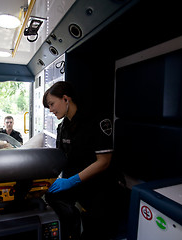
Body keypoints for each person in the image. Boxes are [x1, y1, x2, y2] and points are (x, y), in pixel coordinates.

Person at [42, 81, 125, 240]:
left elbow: (104, 162)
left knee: (94, 230)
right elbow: (61, 157)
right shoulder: (63, 127)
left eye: (52, 104)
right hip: (78, 183)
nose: (51, 110)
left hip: (101, 186)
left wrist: (71, 181)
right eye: (49, 107)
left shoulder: (97, 120)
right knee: (51, 198)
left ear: (66, 99)